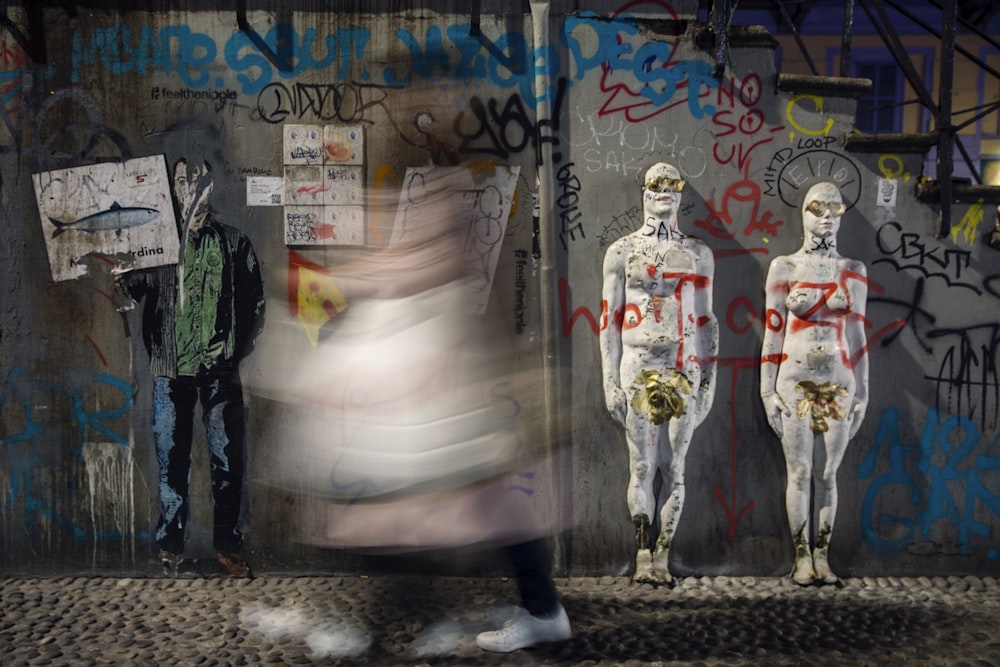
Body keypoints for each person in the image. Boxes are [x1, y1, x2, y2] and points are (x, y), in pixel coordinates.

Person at [120, 157, 265, 576]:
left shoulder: (234, 243)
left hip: (220, 371)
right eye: (182, 180)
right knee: (172, 461)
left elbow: (256, 303)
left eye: (196, 180)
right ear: (174, 188)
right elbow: (133, 289)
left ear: (210, 187)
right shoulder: (158, 247)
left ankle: (227, 545)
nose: (190, 188)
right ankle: (170, 547)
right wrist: (122, 272)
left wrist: (235, 353)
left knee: (226, 463)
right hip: (170, 370)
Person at [599, 162, 719, 585]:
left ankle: (664, 551)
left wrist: (707, 383)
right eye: (656, 183)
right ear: (645, 192)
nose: (665, 190)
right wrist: (609, 381)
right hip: (637, 367)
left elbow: (706, 321)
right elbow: (609, 321)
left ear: (681, 194)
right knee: (643, 465)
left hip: (682, 366)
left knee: (677, 466)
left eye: (673, 184)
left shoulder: (698, 253)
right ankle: (642, 552)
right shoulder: (622, 252)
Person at [759, 181, 868, 585]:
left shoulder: (853, 271)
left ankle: (823, 554)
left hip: (840, 379)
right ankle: (801, 556)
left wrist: (864, 392)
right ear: (803, 214)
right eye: (817, 209)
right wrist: (767, 389)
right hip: (794, 379)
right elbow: (773, 332)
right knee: (800, 470)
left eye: (833, 210)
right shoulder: (785, 267)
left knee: (829, 473)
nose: (825, 217)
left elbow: (857, 337)